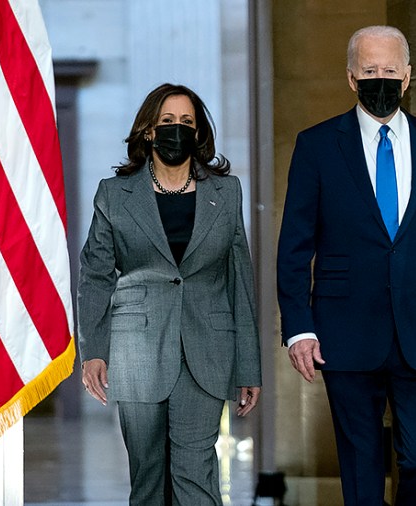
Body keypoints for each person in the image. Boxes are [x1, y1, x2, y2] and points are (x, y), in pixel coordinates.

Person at [276, 26, 416, 505]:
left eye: (390, 70)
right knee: (361, 467)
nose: (381, 79)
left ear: (408, 76)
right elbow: (294, 248)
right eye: (369, 71)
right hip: (344, 332)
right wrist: (299, 328)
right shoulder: (317, 146)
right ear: (351, 78)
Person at [77, 83, 262, 506]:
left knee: (195, 472)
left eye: (186, 123)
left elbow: (240, 279)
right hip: (136, 349)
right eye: (166, 122)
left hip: (208, 349)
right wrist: (93, 351)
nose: (176, 130)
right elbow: (96, 276)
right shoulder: (115, 194)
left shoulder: (226, 192)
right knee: (148, 479)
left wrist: (248, 366)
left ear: (198, 134)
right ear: (148, 131)